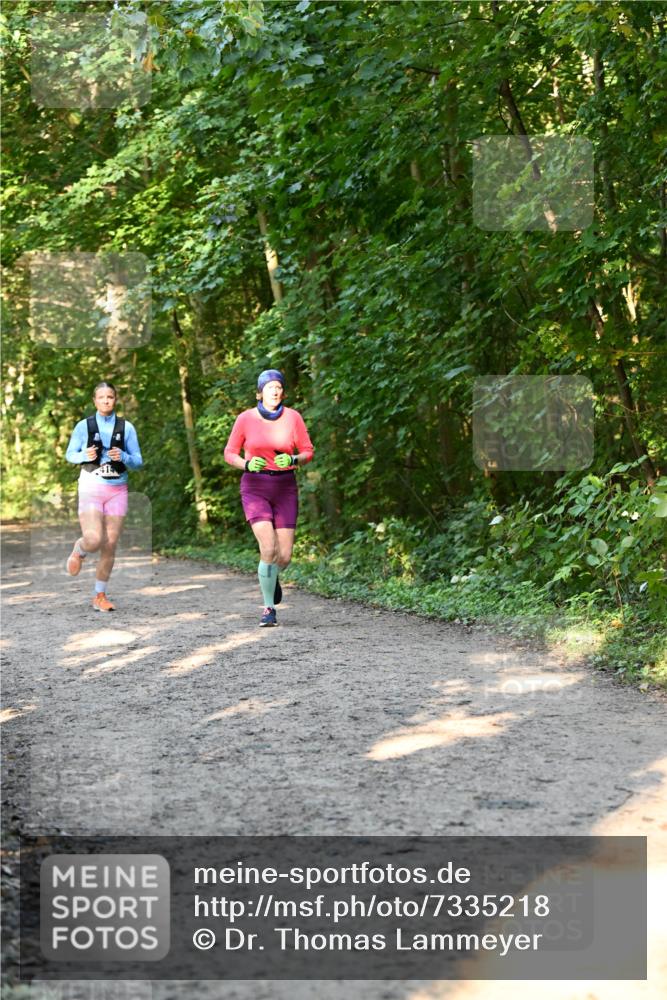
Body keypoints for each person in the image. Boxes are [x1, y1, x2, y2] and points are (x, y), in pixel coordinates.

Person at [224, 369, 314, 626]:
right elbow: (229, 453)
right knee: (268, 548)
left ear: (282, 392)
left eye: (278, 387)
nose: (274, 391)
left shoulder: (293, 418)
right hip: (255, 486)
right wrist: (246, 464)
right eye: (269, 387)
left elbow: (308, 451)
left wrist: (294, 459)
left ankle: (271, 576)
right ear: (260, 392)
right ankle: (268, 608)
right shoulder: (245, 418)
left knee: (284, 556)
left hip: (285, 487)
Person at [64, 381, 143, 611]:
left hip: (117, 490)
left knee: (110, 544)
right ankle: (80, 549)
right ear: (94, 400)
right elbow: (70, 454)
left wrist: (124, 457)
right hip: (91, 486)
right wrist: (84, 455)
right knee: (93, 539)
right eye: (101, 397)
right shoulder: (84, 426)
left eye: (110, 397)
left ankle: (99, 595)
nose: (106, 400)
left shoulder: (126, 427)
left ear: (115, 399)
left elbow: (138, 461)